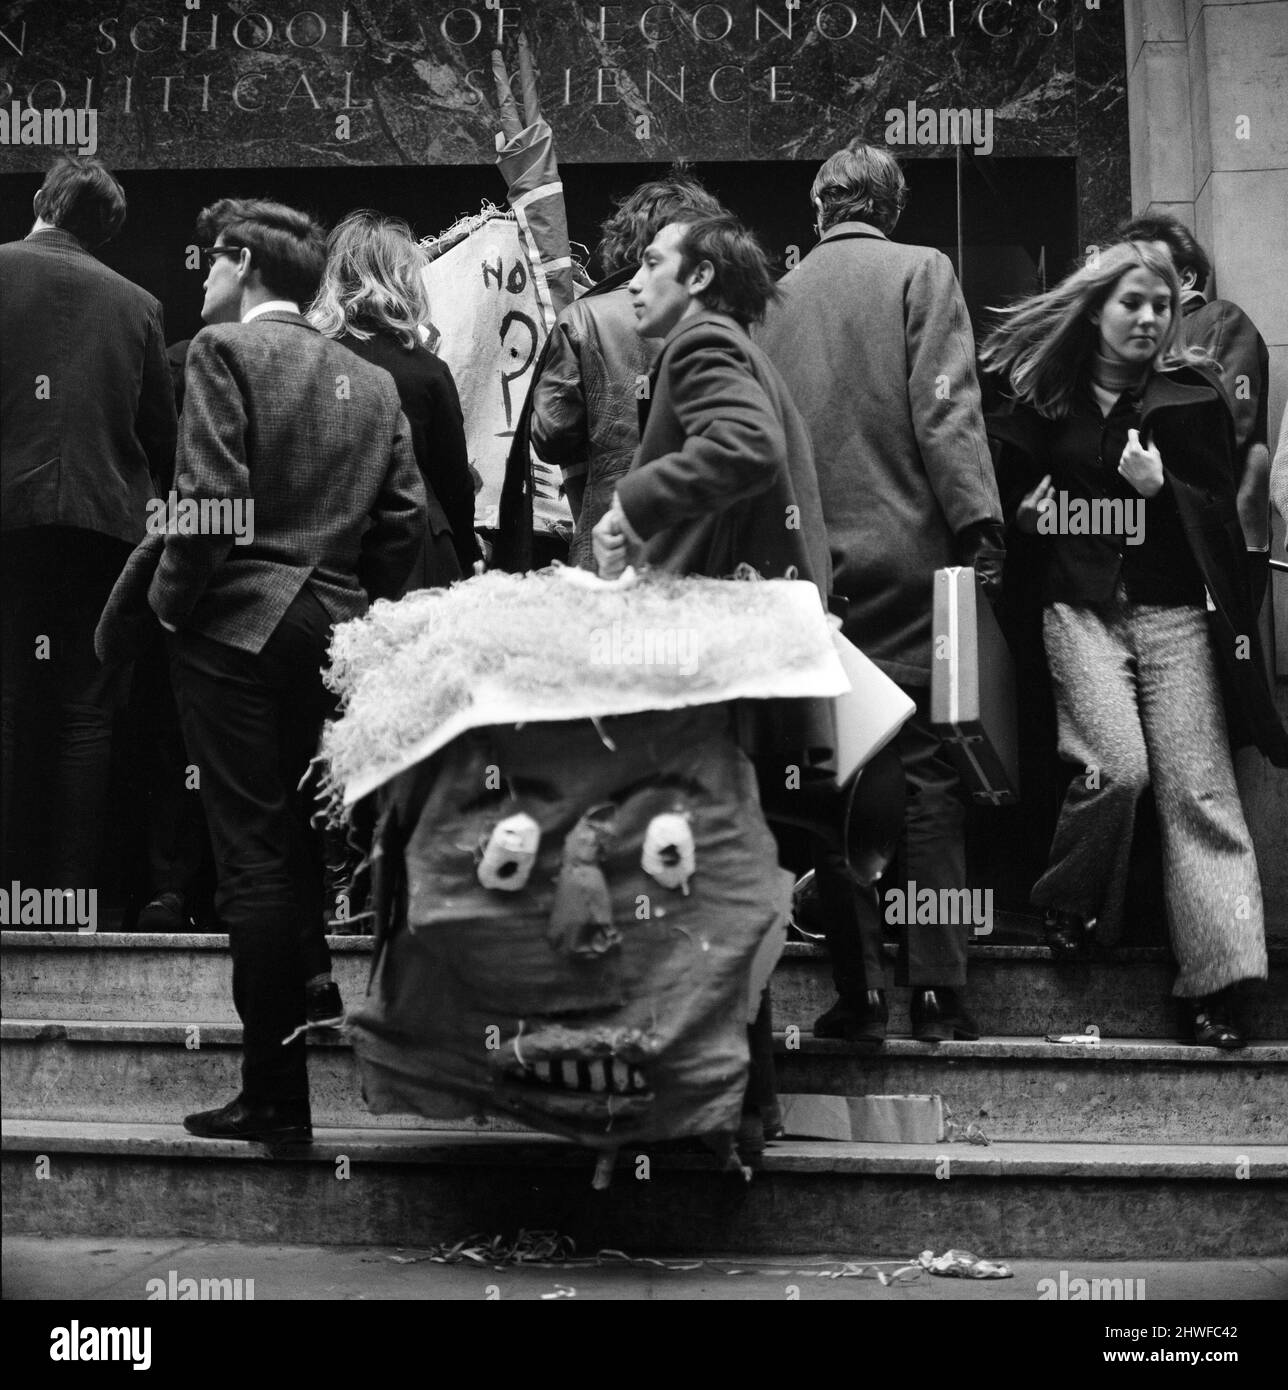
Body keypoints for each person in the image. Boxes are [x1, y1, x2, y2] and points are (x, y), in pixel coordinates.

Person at [149, 197, 427, 1141]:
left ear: (240, 262)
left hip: (234, 629)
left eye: (207, 263)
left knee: (252, 855)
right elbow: (403, 524)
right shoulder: (369, 380)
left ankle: (274, 1096)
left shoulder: (220, 356)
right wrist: (353, 613)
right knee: (304, 844)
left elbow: (210, 506)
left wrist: (171, 607)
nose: (202, 280)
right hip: (333, 628)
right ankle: (300, 1021)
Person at [981, 241, 1288, 1049]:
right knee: (1115, 768)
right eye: (1132, 304)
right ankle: (1071, 900)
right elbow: (1000, 504)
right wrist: (1024, 522)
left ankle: (1215, 988)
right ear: (1094, 309)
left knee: (1202, 792)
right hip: (1079, 609)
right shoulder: (1042, 400)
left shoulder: (1195, 400)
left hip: (1175, 612)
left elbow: (1229, 526)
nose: (1150, 319)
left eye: (1161, 307)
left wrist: (1166, 491)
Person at [592, 208, 833, 1154]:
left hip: (705, 664)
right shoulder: (741, 348)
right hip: (748, 657)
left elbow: (746, 451)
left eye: (652, 263)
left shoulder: (699, 346)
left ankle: (710, 1108)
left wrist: (629, 499)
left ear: (698, 279)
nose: (636, 280)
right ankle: (740, 1106)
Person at [756, 139, 1005, 1045]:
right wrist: (980, 529)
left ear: (819, 207)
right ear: (891, 207)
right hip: (911, 564)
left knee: (839, 777)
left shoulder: (768, 302)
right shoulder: (922, 271)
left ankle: (857, 998)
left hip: (810, 573)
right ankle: (937, 989)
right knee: (933, 776)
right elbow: (947, 409)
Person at [0, 155, 177, 903]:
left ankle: (7, 889)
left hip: (7, 524)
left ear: (41, 198)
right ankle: (70, 900)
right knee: (84, 714)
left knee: (6, 704)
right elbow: (164, 443)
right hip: (105, 535)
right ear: (104, 229)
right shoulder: (139, 306)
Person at [530, 173, 723, 570]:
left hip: (609, 537)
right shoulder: (732, 317)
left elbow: (552, 436)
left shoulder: (585, 317)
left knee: (616, 634)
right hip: (706, 542)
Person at [310, 210, 474, 585]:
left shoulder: (304, 359)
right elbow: (454, 484)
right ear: (402, 281)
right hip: (415, 559)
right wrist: (466, 559)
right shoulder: (428, 373)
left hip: (324, 558)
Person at [1117, 211, 1273, 604]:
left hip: (1208, 532)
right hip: (1159, 530)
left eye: (1153, 265)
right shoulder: (1138, 335)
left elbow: (1222, 430)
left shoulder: (1216, 317)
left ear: (1185, 279)